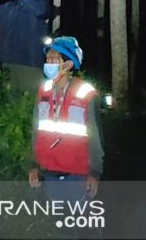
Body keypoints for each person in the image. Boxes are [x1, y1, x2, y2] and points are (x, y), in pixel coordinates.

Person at [28, 36, 103, 203]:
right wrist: (33, 166)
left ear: (68, 64)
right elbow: (36, 131)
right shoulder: (44, 91)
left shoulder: (84, 93)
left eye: (54, 58)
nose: (48, 62)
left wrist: (94, 173)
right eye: (47, 58)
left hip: (77, 178)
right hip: (47, 175)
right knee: (55, 225)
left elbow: (95, 136)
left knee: (79, 225)